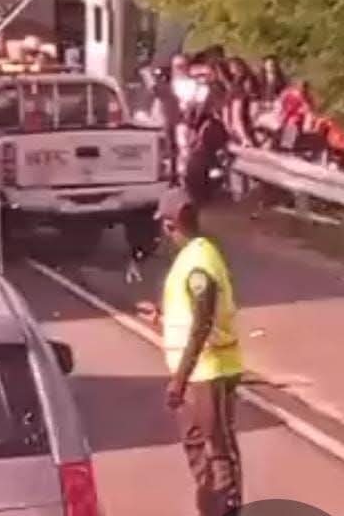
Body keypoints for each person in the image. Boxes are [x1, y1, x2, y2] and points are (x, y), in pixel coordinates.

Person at [136, 188, 244, 516]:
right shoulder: (196, 255)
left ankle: (225, 509)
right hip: (201, 370)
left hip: (208, 371)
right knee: (200, 449)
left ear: (173, 224)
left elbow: (202, 322)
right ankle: (212, 507)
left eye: (165, 225)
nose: (163, 233)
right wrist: (162, 318)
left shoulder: (198, 262)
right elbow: (193, 318)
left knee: (217, 452)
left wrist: (179, 381)